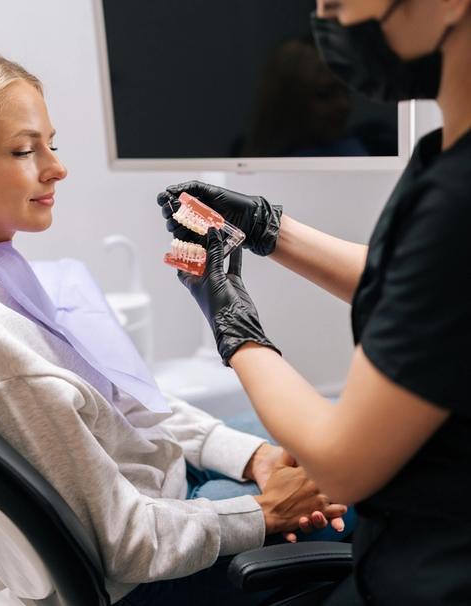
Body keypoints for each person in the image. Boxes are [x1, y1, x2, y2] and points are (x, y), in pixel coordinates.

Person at [0, 48, 346, 605]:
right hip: (154, 571)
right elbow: (126, 545)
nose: (56, 167)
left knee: (293, 447)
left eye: (51, 144)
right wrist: (265, 512)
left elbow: (123, 405)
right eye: (23, 150)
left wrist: (250, 456)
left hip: (170, 492)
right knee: (359, 495)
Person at [158, 0, 471, 603]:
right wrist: (273, 230)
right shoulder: (444, 154)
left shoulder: (461, 201)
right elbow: (421, 290)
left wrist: (233, 323)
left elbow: (340, 464)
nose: (326, 15)